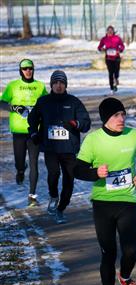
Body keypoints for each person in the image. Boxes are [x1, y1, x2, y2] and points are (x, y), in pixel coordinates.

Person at [74, 97, 136, 285]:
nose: (121, 119)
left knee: (130, 249)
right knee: (108, 252)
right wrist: (95, 173)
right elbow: (77, 169)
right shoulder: (93, 140)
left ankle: (125, 277)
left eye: (123, 114)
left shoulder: (134, 135)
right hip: (102, 203)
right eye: (116, 115)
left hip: (127, 200)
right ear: (105, 118)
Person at [28, 70, 91, 224]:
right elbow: (32, 119)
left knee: (69, 179)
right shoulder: (43, 102)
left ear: (65, 85)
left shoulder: (74, 102)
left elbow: (86, 123)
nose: (58, 86)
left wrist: (77, 124)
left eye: (61, 83)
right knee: (54, 174)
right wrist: (34, 133)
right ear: (51, 85)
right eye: (55, 83)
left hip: (69, 149)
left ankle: (61, 208)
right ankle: (53, 195)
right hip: (51, 148)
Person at [0, 59, 47, 207]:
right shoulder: (13, 86)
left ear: (33, 69)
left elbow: (47, 104)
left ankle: (32, 195)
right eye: (25, 69)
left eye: (30, 68)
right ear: (20, 71)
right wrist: (15, 108)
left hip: (34, 131)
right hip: (19, 132)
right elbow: (2, 103)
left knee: (34, 163)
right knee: (19, 162)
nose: (28, 71)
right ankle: (20, 170)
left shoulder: (40, 86)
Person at [97, 25, 125, 94]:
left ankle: (116, 79)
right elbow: (99, 47)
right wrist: (102, 49)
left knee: (116, 72)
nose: (110, 32)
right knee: (110, 73)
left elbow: (122, 46)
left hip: (116, 58)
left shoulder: (117, 38)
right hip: (108, 58)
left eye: (111, 31)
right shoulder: (104, 39)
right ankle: (111, 88)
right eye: (108, 31)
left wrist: (119, 50)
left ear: (113, 31)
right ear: (106, 31)